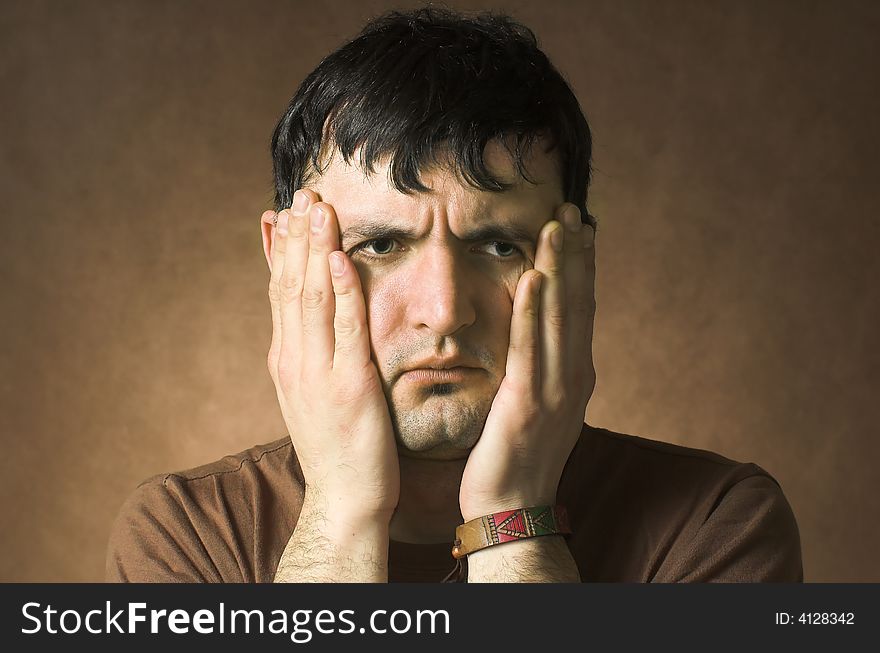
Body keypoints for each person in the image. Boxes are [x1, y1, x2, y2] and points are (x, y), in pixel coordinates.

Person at [106, 7, 802, 583]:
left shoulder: (714, 525)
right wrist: (344, 512)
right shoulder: (186, 537)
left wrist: (512, 516)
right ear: (286, 261)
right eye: (379, 245)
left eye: (499, 245)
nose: (443, 309)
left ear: (577, 263)